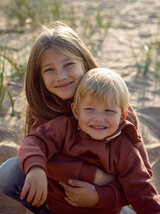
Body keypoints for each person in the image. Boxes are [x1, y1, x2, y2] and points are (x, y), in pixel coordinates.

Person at [0, 21, 152, 213]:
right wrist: (93, 175)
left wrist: (100, 195)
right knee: (11, 172)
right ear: (39, 76)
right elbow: (40, 152)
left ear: (84, 62)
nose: (61, 76)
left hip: (105, 203)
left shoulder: (115, 107)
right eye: (49, 69)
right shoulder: (45, 112)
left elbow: (141, 175)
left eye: (68, 64)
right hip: (60, 200)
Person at [18, 67, 160, 214]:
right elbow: (34, 141)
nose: (98, 118)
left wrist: (100, 197)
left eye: (108, 111)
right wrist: (36, 168)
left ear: (123, 116)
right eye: (90, 109)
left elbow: (141, 189)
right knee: (9, 175)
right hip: (55, 209)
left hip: (104, 211)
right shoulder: (64, 128)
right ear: (76, 111)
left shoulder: (124, 148)